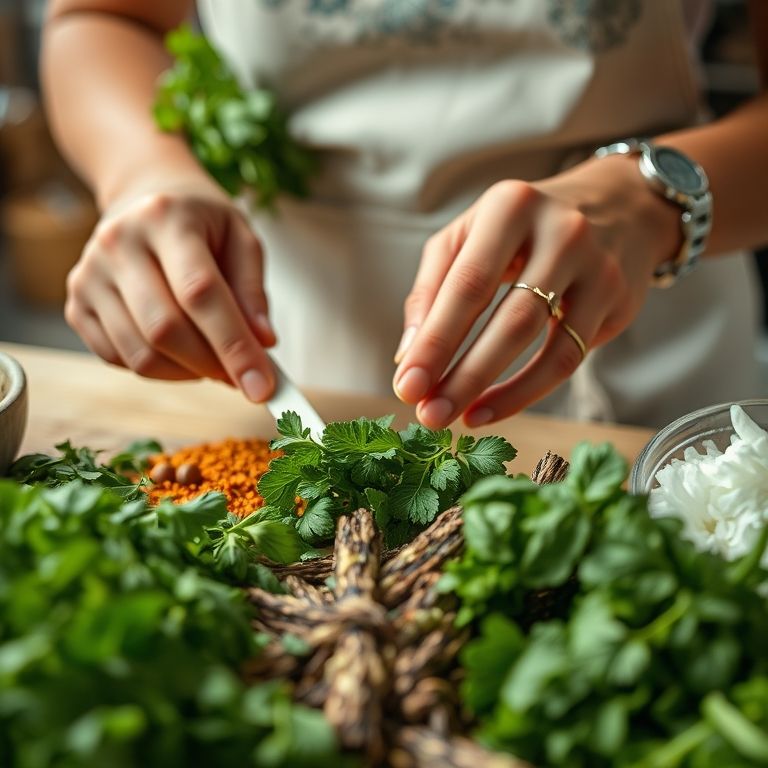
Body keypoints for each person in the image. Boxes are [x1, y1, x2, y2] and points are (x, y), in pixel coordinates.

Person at [40, 0, 768, 430]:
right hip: (300, 334)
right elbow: (104, 14)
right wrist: (144, 170)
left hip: (653, 329)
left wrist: (646, 203)